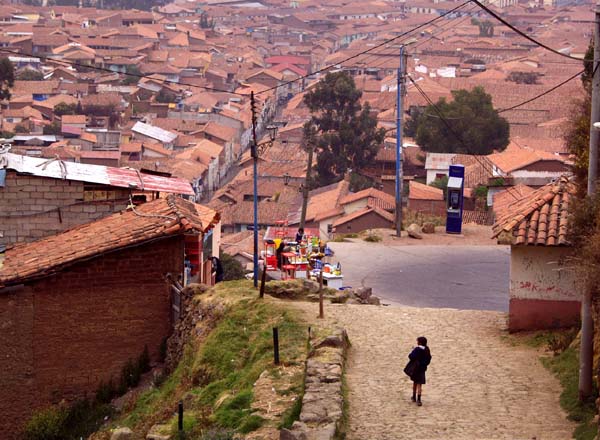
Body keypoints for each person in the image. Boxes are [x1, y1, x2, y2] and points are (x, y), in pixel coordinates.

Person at [408, 336, 432, 406]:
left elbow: (411, 356)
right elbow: (429, 358)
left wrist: (413, 351)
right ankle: (419, 399)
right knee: (419, 384)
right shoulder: (427, 349)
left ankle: (414, 397)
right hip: (422, 369)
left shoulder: (417, 349)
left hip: (416, 369)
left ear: (420, 342)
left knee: (415, 382)